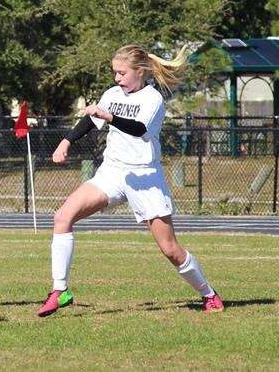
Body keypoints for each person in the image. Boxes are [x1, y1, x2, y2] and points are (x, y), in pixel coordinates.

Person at [38, 45, 224, 317]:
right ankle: (60, 290)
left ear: (140, 72)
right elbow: (92, 121)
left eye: (122, 73)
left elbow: (139, 130)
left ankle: (208, 294)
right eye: (115, 72)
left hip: (145, 176)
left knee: (170, 250)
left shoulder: (152, 99)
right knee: (63, 216)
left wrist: (108, 116)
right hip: (113, 172)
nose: (117, 78)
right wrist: (65, 142)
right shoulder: (112, 94)